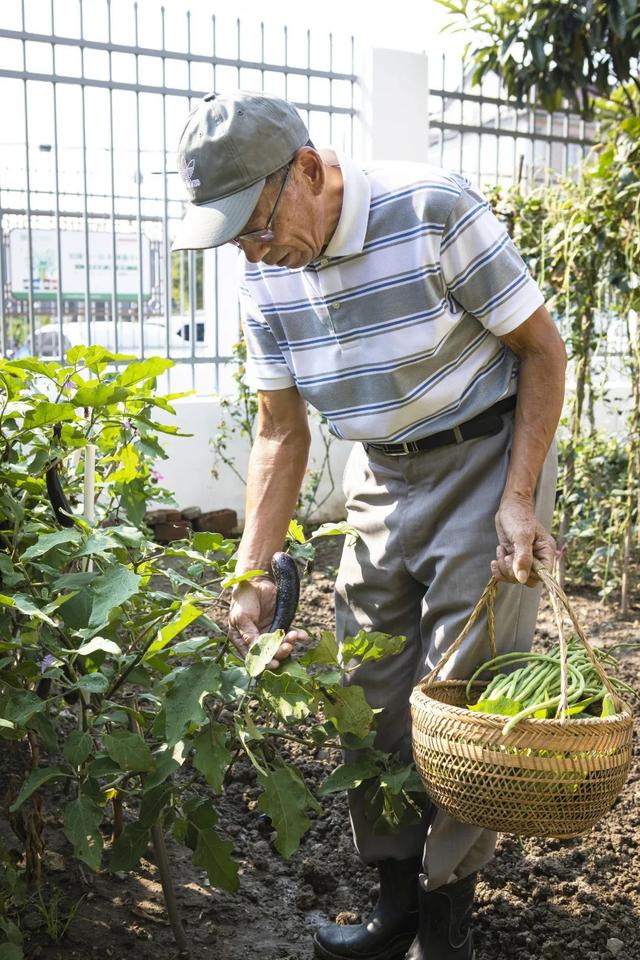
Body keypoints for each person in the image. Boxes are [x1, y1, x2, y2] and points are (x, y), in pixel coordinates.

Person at [172, 90, 567, 960]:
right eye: (235, 233)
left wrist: (518, 497)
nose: (252, 247)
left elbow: (543, 350)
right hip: (381, 475)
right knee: (370, 693)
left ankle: (444, 922)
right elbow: (281, 430)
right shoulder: (266, 273)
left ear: (308, 170)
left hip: (486, 461)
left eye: (257, 223)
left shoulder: (432, 209)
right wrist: (251, 570)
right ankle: (393, 906)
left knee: (458, 699)